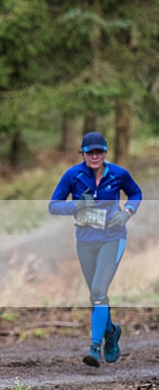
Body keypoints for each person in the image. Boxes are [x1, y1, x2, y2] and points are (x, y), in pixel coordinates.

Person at [49, 131, 142, 367]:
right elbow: (53, 206)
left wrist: (126, 213)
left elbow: (136, 192)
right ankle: (111, 332)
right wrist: (77, 205)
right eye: (90, 152)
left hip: (113, 238)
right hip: (85, 241)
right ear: (83, 153)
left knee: (100, 290)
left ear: (105, 152)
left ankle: (94, 346)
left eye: (99, 151)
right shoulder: (73, 175)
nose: (95, 156)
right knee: (95, 295)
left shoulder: (119, 174)